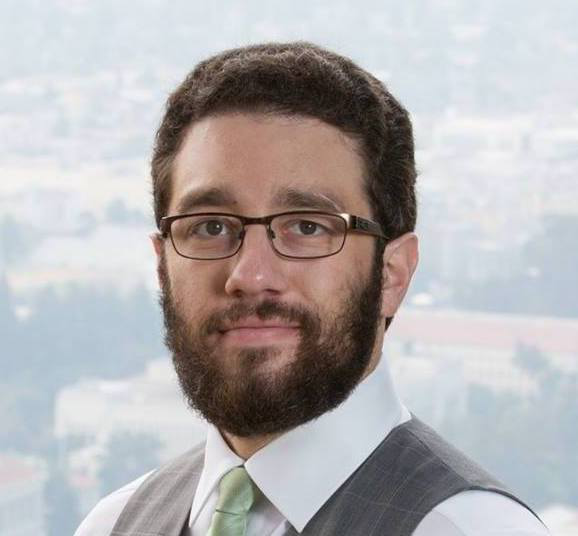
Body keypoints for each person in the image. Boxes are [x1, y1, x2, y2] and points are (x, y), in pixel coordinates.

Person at [74, 42, 549, 536]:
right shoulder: (113, 525)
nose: (250, 276)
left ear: (392, 274)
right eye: (211, 227)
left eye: (306, 227)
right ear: (162, 265)